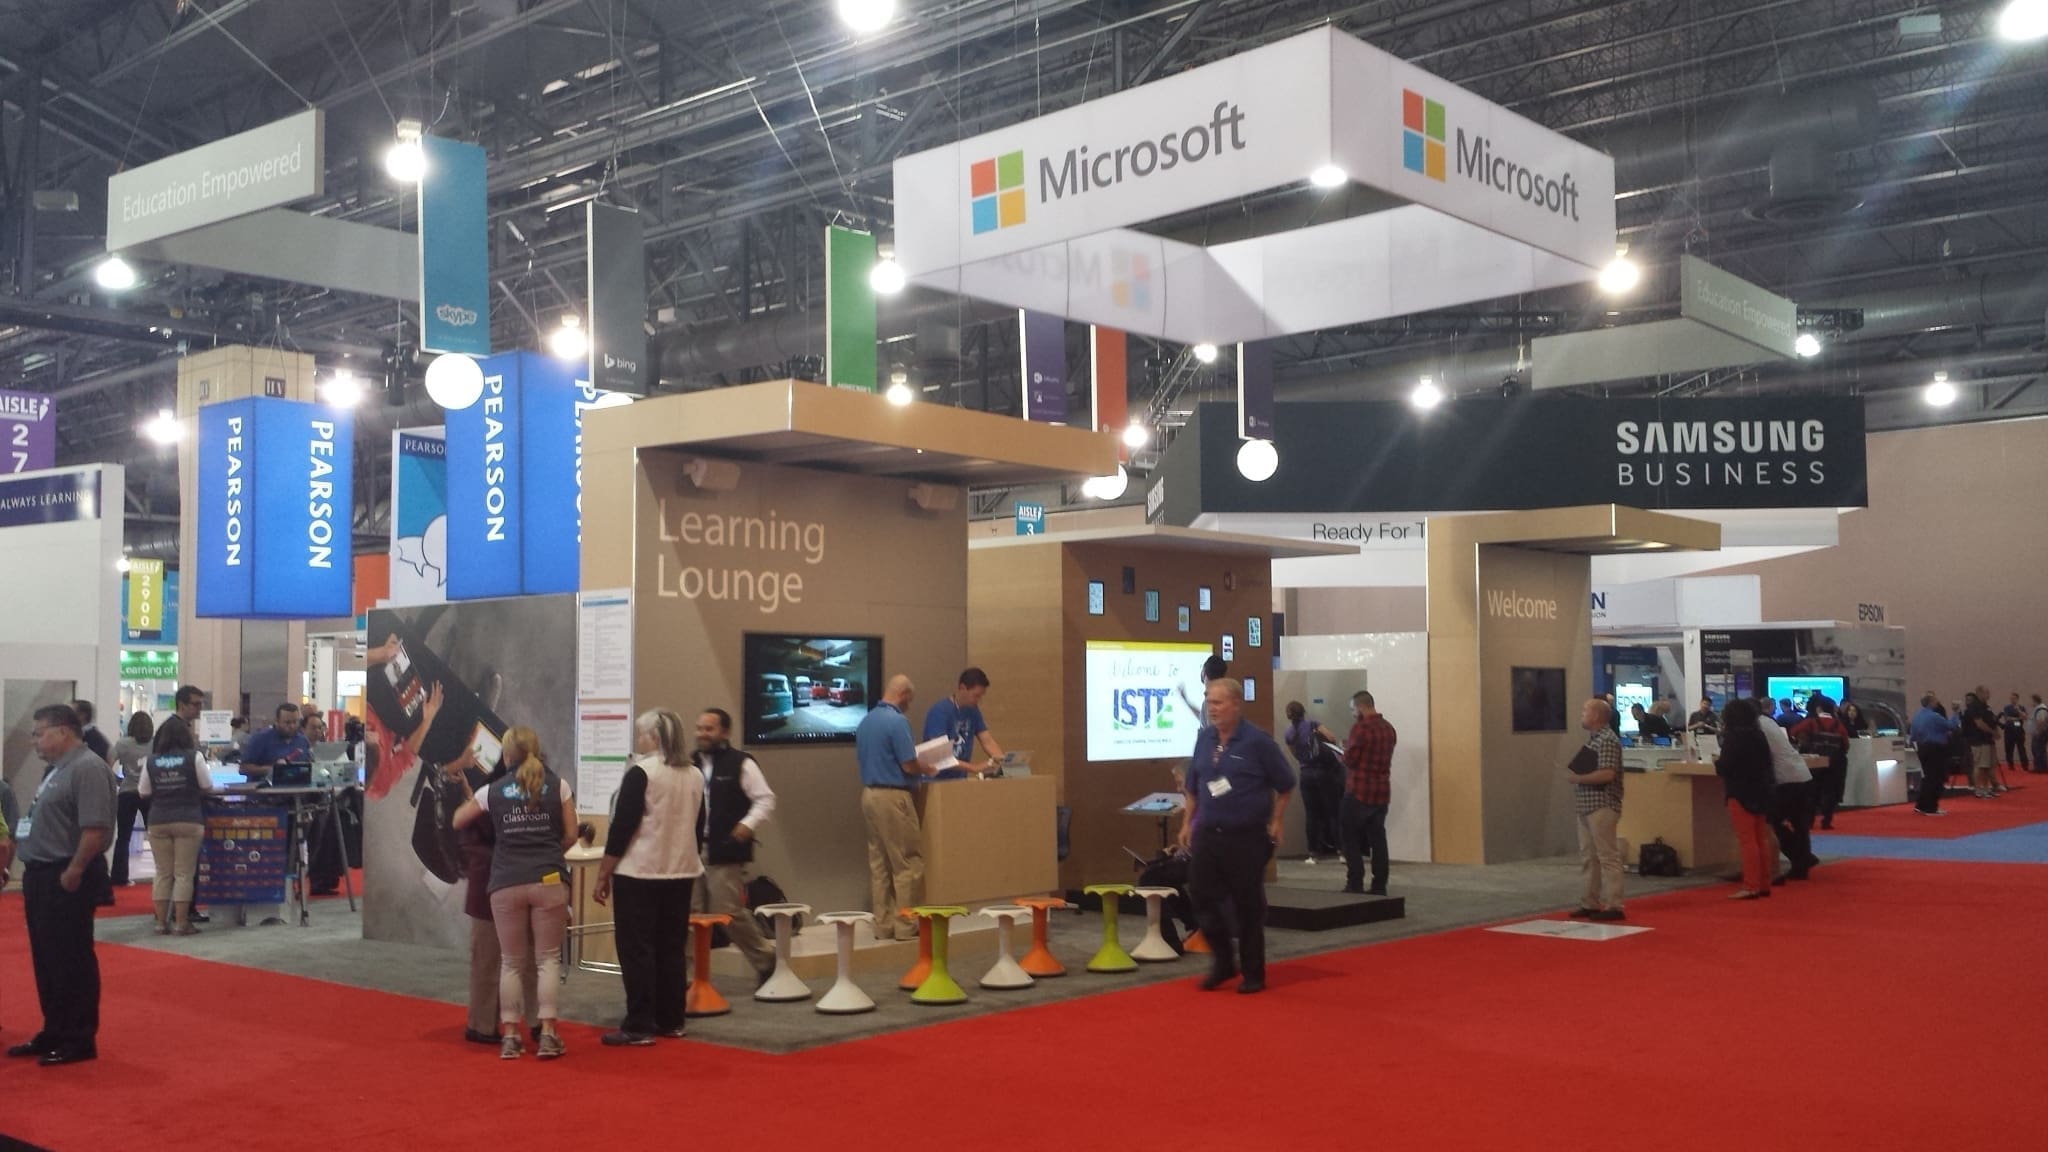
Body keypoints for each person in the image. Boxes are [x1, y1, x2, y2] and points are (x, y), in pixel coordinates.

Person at [450, 727, 575, 1061]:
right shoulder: (558, 786)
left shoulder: (492, 790)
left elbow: (458, 821)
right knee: (547, 960)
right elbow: (571, 834)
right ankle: (547, 1033)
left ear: (506, 755)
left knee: (510, 962)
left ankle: (509, 1037)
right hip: (548, 879)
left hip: (505, 881)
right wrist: (549, 851)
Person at [7, 704, 117, 1066]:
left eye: (40, 733)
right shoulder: (56, 770)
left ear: (64, 732)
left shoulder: (88, 768)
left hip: (66, 874)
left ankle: (78, 1037)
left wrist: (75, 869)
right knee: (47, 957)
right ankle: (54, 1029)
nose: (35, 741)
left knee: (70, 957)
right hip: (42, 874)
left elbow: (96, 828)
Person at [595, 709, 704, 1046]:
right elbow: (699, 826)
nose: (638, 741)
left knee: (637, 949)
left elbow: (622, 827)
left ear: (654, 737)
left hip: (639, 872)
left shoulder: (642, 772)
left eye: (641, 735)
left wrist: (603, 873)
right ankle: (672, 1019)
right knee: (671, 947)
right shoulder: (695, 775)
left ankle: (639, 1023)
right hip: (681, 871)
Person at [1178, 678, 1293, 994]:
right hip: (1208, 833)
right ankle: (1224, 960)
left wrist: (1277, 821)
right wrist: (1187, 824)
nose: (1212, 708)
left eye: (1218, 702)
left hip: (1246, 836)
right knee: (1200, 895)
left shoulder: (1257, 742)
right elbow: (1193, 787)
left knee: (1247, 905)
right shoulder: (1204, 739)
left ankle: (1253, 972)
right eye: (1208, 701)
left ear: (1236, 705)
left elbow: (1285, 785)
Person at [446, 753, 537, 1047]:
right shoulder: (520, 795)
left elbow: (464, 827)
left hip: (493, 882)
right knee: (509, 959)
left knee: (491, 959)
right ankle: (496, 1024)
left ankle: (485, 1023)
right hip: (505, 881)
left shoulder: (491, 792)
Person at [692, 707, 778, 985]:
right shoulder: (690, 763)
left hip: (726, 849)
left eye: (709, 729)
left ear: (725, 732)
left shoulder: (741, 762)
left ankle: (766, 959)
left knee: (727, 910)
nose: (702, 734)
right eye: (699, 728)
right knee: (689, 914)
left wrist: (747, 824)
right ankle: (689, 977)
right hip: (691, 850)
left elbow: (765, 799)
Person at [857, 675, 937, 940]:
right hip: (894, 797)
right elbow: (908, 764)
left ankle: (883, 925)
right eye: (909, 700)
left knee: (879, 864)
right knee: (907, 863)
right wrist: (928, 767)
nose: (909, 705)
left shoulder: (866, 721)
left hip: (869, 795)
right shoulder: (897, 721)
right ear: (903, 694)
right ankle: (905, 925)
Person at [139, 715, 214, 935]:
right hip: (188, 819)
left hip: (158, 820)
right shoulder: (194, 757)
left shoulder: (151, 760)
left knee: (163, 873)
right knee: (183, 873)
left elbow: (143, 792)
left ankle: (161, 923)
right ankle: (181, 923)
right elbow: (207, 786)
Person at [1568, 699, 1626, 921]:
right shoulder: (1594, 740)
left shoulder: (1607, 740)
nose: (1582, 714)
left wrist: (1578, 778)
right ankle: (1589, 902)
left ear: (1596, 716)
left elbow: (1608, 773)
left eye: (1585, 711)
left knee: (1607, 855)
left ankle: (1614, 904)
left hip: (1602, 804)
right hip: (1587, 805)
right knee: (1589, 857)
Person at [1714, 699, 1778, 900]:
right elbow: (1768, 762)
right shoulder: (1759, 735)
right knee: (1760, 839)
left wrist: (1717, 762)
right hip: (1761, 790)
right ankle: (1764, 883)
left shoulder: (1733, 737)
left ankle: (1751, 885)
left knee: (1747, 840)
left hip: (1740, 792)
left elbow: (1725, 766)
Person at [1338, 690, 1395, 897]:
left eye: (1353, 710)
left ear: (1361, 707)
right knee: (1378, 839)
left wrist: (1342, 753)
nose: (1353, 714)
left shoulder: (1360, 729)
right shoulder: (1389, 728)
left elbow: (1351, 760)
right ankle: (1379, 884)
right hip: (1381, 792)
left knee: (1349, 836)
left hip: (1359, 790)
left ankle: (1355, 881)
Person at [1760, 708, 1818, 882]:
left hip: (1785, 779)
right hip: (1801, 774)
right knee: (1800, 824)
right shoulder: (1769, 722)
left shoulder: (1756, 726)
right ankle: (1802, 863)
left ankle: (1800, 857)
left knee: (1771, 822)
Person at [922, 668, 1007, 780]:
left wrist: (1003, 763)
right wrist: (974, 768)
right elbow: (939, 756)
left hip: (958, 779)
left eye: (981, 696)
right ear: (962, 688)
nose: (979, 700)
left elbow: (987, 741)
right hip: (936, 780)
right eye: (976, 695)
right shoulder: (940, 712)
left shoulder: (973, 711)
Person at [1283, 702, 1342, 861]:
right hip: (1323, 772)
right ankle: (1341, 850)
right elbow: (1331, 738)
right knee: (1333, 811)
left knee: (1311, 814)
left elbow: (1295, 754)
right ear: (1304, 711)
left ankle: (1313, 852)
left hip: (1306, 774)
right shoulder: (1313, 724)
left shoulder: (1288, 733)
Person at [107, 711, 153, 887]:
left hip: (127, 792)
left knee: (123, 836)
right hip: (149, 793)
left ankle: (119, 876)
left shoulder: (123, 743)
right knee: (155, 835)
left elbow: (107, 764)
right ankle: (163, 873)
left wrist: (117, 779)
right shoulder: (155, 744)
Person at [1792, 696, 1851, 831]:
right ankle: (1826, 821)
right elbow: (1846, 745)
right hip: (1835, 762)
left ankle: (1809, 821)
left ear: (1819, 708)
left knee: (1812, 791)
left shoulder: (1811, 722)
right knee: (1831, 791)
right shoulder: (1839, 724)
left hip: (1815, 761)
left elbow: (1794, 732)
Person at [1910, 693, 1960, 816]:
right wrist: (1956, 713)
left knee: (1927, 777)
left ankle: (1921, 805)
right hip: (1936, 749)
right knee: (1936, 778)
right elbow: (1951, 726)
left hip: (1922, 748)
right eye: (1935, 700)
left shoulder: (1917, 716)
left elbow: (1913, 735)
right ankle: (1930, 807)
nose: (1937, 702)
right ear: (1930, 702)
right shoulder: (1934, 717)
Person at [241, 703, 311, 783]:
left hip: (296, 788)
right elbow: (243, 769)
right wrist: (273, 769)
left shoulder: (302, 741)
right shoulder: (260, 739)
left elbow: (308, 765)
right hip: (265, 789)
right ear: (277, 721)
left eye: (295, 722)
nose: (292, 726)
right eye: (287, 722)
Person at [1959, 692, 1999, 798]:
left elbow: (1992, 720)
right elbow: (1979, 724)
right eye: (1986, 693)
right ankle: (1978, 789)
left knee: (1986, 766)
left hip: (1987, 740)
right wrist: (1992, 732)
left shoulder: (1986, 708)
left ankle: (1986, 788)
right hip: (1977, 741)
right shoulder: (1972, 710)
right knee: (1979, 765)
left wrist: (1995, 731)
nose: (1988, 695)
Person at [2000, 692, 2030, 772]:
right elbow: (2007, 718)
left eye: (2014, 698)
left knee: (2021, 748)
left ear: (2017, 699)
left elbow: (2025, 717)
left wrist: (2018, 711)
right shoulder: (2007, 707)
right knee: (2009, 748)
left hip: (2019, 730)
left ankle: (2025, 765)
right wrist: (2018, 718)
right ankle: (2010, 764)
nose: (2012, 700)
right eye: (2011, 698)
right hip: (2009, 730)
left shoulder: (2021, 707)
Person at [2031, 694, 2048, 776]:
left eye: (2032, 701)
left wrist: (2038, 731)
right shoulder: (2038, 708)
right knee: (2036, 749)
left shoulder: (2041, 709)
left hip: (2041, 733)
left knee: (2039, 750)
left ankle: (2041, 768)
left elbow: (2041, 721)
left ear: (2035, 700)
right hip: (2039, 732)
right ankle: (2039, 767)